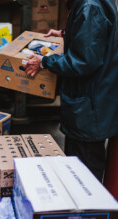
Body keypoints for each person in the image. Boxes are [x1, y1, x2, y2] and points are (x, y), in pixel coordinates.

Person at [25, 0, 118, 182]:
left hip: (88, 107)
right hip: (91, 103)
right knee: (82, 168)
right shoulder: (92, 4)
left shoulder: (90, 6)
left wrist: (45, 62)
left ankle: (86, 210)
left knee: (84, 175)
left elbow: (84, 61)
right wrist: (65, 34)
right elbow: (94, 35)